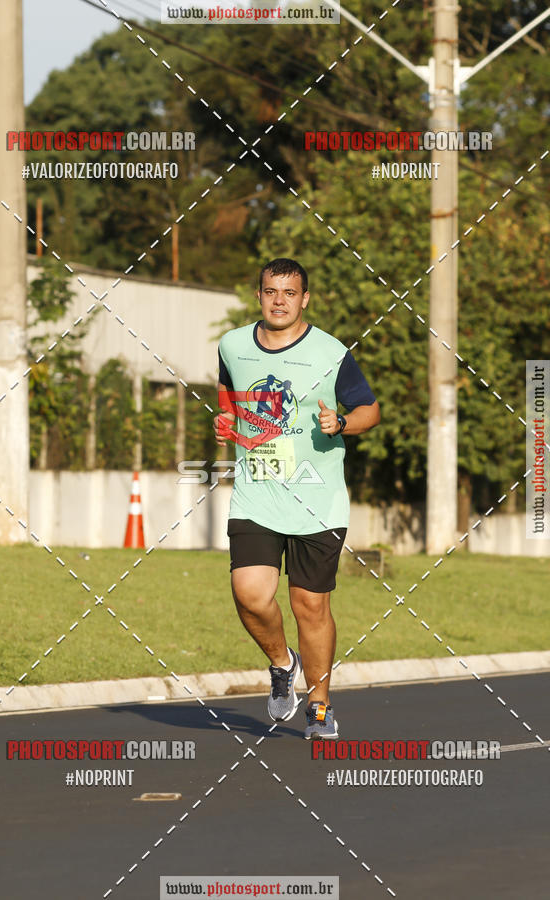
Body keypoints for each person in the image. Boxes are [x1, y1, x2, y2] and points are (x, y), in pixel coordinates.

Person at [214, 258, 380, 739]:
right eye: (271, 291)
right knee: (249, 594)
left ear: (305, 298)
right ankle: (282, 664)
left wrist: (342, 424)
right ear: (259, 295)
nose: (280, 300)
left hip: (317, 499)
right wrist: (226, 419)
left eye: (290, 292)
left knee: (311, 606)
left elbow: (369, 407)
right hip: (256, 494)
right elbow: (228, 389)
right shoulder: (233, 344)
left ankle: (320, 706)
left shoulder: (331, 352)